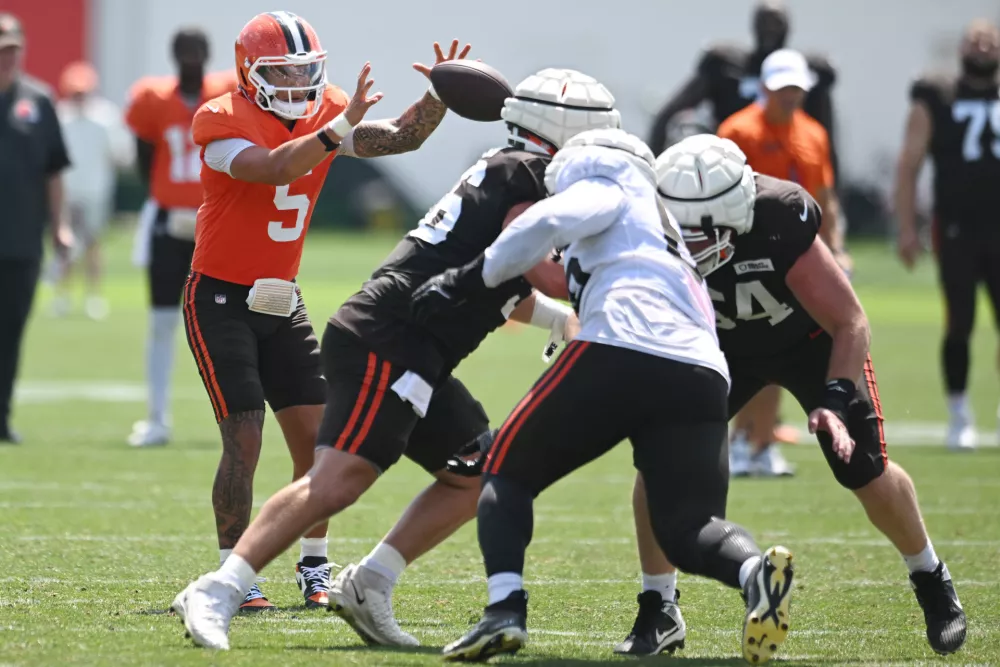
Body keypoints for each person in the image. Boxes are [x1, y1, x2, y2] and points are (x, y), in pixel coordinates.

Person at [171, 67, 620, 651]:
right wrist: (613, 277)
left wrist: (562, 318)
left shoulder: (507, 170)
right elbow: (534, 263)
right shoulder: (528, 177)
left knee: (478, 472)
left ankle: (370, 583)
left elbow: (498, 279)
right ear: (562, 131)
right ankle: (219, 588)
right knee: (337, 480)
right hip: (391, 336)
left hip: (416, 345)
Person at [419, 129, 796, 666]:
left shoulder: (608, 181)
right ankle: (754, 572)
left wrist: (466, 279)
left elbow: (545, 222)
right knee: (688, 527)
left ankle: (504, 609)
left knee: (506, 469)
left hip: (623, 343)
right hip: (702, 370)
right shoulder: (662, 228)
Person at [614, 134, 967, 658]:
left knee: (862, 469)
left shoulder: (778, 218)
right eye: (679, 228)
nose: (687, 243)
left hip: (810, 344)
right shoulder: (650, 220)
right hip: (721, 347)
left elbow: (850, 322)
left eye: (700, 231)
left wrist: (835, 398)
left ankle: (930, 576)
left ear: (735, 214)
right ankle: (659, 606)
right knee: (660, 461)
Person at [177, 12, 478, 614]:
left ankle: (314, 564)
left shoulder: (329, 111)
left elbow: (402, 137)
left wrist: (439, 97)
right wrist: (339, 126)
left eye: (303, 71)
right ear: (249, 72)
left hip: (281, 297)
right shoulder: (220, 117)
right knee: (245, 435)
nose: (296, 83)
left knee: (319, 441)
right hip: (218, 299)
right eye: (281, 72)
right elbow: (275, 167)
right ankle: (233, 572)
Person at [714, 48, 847, 477]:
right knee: (757, 350)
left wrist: (836, 247)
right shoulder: (737, 130)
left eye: (796, 88)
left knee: (785, 351)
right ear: (764, 88)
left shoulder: (813, 133)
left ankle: (759, 441)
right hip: (749, 257)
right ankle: (746, 439)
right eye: (782, 87)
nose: (790, 96)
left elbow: (823, 195)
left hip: (800, 257)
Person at [123, 27, 236, 448]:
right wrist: (169, 197)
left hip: (216, 221)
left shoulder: (227, 94)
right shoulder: (152, 98)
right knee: (162, 321)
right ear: (173, 55)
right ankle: (157, 418)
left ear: (208, 54)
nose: (191, 58)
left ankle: (236, 418)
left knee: (226, 320)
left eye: (197, 51)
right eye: (184, 51)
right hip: (169, 220)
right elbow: (144, 158)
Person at [895, 19, 1000, 451]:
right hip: (957, 227)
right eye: (975, 39)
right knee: (960, 321)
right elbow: (909, 162)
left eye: (989, 40)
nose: (982, 46)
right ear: (960, 49)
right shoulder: (937, 94)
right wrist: (907, 227)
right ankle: (959, 413)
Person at [0, 13, 73, 444]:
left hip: (21, 241)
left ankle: (1, 417)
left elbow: (54, 170)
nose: (7, 58)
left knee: (10, 333)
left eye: (12, 49)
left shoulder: (39, 101)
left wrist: (60, 227)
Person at [647, 0, 836, 157]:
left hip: (789, 167)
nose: (770, 30)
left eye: (793, 88)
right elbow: (669, 114)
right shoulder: (724, 68)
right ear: (764, 87)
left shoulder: (807, 76)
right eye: (764, 23)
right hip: (729, 168)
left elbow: (827, 139)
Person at [54, 61, 134, 320]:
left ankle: (93, 296)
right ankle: (63, 295)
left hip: (96, 190)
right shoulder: (60, 117)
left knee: (93, 243)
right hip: (67, 190)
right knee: (64, 244)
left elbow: (121, 154)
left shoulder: (105, 117)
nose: (79, 97)